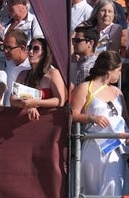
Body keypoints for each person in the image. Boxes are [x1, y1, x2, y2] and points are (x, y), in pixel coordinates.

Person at [71, 50, 129, 196]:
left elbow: (125, 118)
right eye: (118, 70)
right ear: (109, 71)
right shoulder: (85, 87)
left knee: (114, 184)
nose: (120, 74)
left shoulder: (117, 92)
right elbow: (72, 115)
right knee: (92, 188)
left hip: (116, 147)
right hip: (94, 146)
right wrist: (91, 118)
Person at [10, 38, 67, 122]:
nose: (30, 52)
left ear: (44, 53)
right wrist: (27, 105)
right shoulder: (23, 74)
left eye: (36, 49)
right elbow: (13, 100)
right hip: (25, 122)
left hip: (49, 122)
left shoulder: (53, 73)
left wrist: (35, 103)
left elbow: (59, 101)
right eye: (29, 48)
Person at [0, 29, 31, 106]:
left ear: (22, 48)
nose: (5, 51)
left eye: (9, 48)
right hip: (9, 113)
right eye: (4, 47)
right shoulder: (9, 62)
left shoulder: (33, 66)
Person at [70, 25, 98, 90]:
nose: (74, 43)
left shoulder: (86, 67)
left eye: (77, 40)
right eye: (74, 40)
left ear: (90, 43)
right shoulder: (81, 62)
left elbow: (83, 93)